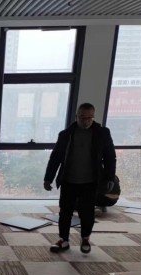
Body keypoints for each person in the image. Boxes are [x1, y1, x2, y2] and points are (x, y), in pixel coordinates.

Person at [44, 103, 116, 253]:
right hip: (68, 180)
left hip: (90, 181)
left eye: (89, 118)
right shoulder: (66, 134)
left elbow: (110, 157)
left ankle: (85, 238)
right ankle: (63, 240)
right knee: (65, 212)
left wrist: (110, 177)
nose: (86, 121)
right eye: (82, 118)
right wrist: (48, 178)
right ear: (76, 116)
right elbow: (55, 157)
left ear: (93, 117)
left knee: (87, 212)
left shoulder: (102, 133)